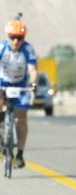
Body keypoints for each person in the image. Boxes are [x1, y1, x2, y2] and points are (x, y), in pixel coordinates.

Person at [0, 18, 38, 168]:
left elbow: (33, 70)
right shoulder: (1, 48)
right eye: (12, 37)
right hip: (2, 83)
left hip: (20, 84)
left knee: (22, 116)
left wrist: (33, 83)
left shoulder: (28, 49)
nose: (16, 41)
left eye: (20, 38)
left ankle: (20, 154)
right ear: (7, 36)